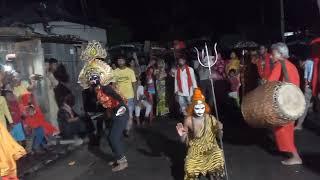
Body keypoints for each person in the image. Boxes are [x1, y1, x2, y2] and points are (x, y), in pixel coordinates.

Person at [78, 40, 129, 172]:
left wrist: (120, 108)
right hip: (115, 111)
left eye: (94, 78)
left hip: (121, 111)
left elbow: (119, 98)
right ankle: (119, 158)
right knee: (109, 135)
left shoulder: (105, 87)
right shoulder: (97, 90)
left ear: (98, 78)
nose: (92, 80)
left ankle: (122, 161)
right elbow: (106, 103)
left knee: (113, 136)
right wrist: (108, 112)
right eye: (90, 79)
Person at [176, 88, 225, 180]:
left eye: (202, 107)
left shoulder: (211, 118)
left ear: (205, 107)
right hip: (195, 149)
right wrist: (181, 135)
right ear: (193, 108)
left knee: (217, 157)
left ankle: (213, 173)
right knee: (189, 168)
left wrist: (220, 130)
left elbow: (219, 137)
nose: (200, 110)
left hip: (211, 146)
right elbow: (183, 141)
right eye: (197, 108)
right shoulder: (189, 120)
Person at [268, 42, 302, 165]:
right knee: (286, 130)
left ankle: (295, 156)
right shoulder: (290, 65)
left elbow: (270, 83)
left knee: (282, 130)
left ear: (280, 54)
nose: (271, 56)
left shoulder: (280, 65)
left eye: (272, 54)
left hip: (285, 104)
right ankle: (291, 153)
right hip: (292, 102)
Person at [113, 56, 137, 136]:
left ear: (125, 61)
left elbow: (134, 84)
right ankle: (121, 129)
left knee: (130, 115)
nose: (120, 62)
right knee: (120, 114)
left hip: (130, 97)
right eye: (118, 60)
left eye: (121, 60)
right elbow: (113, 85)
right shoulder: (115, 71)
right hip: (119, 98)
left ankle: (127, 130)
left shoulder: (130, 71)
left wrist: (135, 96)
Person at [295, 55, 314, 130]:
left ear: (301, 61)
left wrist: (307, 83)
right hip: (313, 85)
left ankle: (299, 125)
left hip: (310, 86)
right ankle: (299, 124)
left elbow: (308, 75)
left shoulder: (308, 63)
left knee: (305, 105)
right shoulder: (312, 61)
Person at [44, 58, 60, 132]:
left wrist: (50, 77)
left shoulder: (49, 74)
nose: (46, 67)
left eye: (47, 65)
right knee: (49, 115)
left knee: (55, 113)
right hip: (46, 98)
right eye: (45, 65)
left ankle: (55, 130)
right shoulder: (42, 75)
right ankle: (51, 131)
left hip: (51, 97)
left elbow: (56, 83)